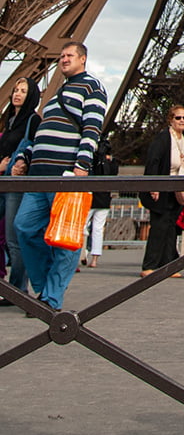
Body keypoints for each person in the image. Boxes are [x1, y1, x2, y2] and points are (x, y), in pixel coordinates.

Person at [14, 42, 107, 311]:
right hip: (39, 176)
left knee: (66, 239)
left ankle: (51, 298)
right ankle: (44, 289)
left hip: (66, 174)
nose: (64, 59)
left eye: (69, 55)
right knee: (25, 228)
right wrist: (25, 157)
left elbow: (92, 128)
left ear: (83, 59)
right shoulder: (57, 94)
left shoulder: (92, 87)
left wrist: (81, 166)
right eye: (62, 56)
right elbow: (40, 133)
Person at [0, 75, 40, 302]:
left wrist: (21, 162)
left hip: (16, 186)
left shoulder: (32, 121)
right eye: (16, 89)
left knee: (14, 239)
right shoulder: (10, 121)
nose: (17, 94)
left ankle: (17, 291)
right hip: (3, 182)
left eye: (23, 91)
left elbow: (36, 148)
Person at [141, 104, 184, 274]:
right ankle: (149, 265)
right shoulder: (164, 138)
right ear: (171, 119)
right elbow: (153, 161)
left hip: (175, 189)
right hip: (162, 187)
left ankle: (167, 264)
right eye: (178, 117)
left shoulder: (182, 139)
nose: (182, 121)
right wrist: (154, 186)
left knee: (170, 227)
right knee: (159, 226)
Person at [83, 134, 115, 268]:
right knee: (98, 229)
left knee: (83, 227)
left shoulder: (91, 161)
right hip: (104, 198)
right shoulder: (112, 163)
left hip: (90, 197)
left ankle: (82, 253)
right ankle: (95, 259)